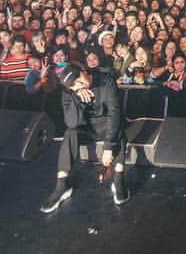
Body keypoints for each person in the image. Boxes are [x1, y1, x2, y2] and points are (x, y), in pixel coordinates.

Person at [41, 64, 129, 213]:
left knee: (118, 127)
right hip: (87, 126)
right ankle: (61, 185)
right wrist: (77, 98)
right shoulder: (69, 92)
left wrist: (108, 148)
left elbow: (114, 114)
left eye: (79, 80)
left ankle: (118, 179)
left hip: (107, 123)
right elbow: (72, 123)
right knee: (70, 133)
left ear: (83, 72)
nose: (79, 85)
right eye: (73, 85)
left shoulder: (106, 81)